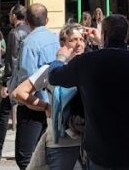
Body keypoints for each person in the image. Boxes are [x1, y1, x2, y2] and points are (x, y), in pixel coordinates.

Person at [49, 15, 129, 170]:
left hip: (101, 152)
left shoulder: (85, 63)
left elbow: (54, 76)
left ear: (103, 34)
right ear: (126, 35)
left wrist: (60, 57)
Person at [11, 24, 87, 170]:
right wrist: (45, 106)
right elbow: (19, 93)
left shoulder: (89, 67)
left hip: (87, 141)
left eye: (81, 39)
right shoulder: (51, 69)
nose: (78, 44)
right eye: (73, 40)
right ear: (62, 44)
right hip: (61, 144)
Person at [15, 3, 59, 169]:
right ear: (47, 20)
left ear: (26, 20)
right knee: (45, 155)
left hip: (34, 105)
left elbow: (26, 79)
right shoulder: (55, 38)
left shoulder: (29, 42)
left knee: (25, 156)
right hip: (52, 104)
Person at [0, 4, 29, 162]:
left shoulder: (15, 33)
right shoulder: (29, 30)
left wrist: (6, 82)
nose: (9, 17)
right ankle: (24, 149)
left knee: (4, 114)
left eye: (11, 14)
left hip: (14, 79)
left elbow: (11, 59)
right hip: (26, 78)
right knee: (22, 114)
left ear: (14, 16)